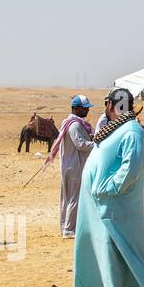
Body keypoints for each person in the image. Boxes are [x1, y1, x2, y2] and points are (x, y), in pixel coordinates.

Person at [73, 88, 144, 287]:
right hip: (100, 203)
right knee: (102, 248)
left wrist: (107, 188)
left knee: (114, 249)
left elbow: (131, 168)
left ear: (113, 104)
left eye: (107, 102)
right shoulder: (114, 129)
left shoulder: (131, 131)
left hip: (114, 203)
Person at [47, 95, 96, 238]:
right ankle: (69, 229)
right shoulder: (75, 125)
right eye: (84, 108)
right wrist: (97, 144)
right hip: (75, 165)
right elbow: (81, 144)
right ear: (75, 108)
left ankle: (65, 226)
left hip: (69, 164)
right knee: (74, 197)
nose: (87, 110)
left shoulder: (69, 122)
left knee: (67, 197)